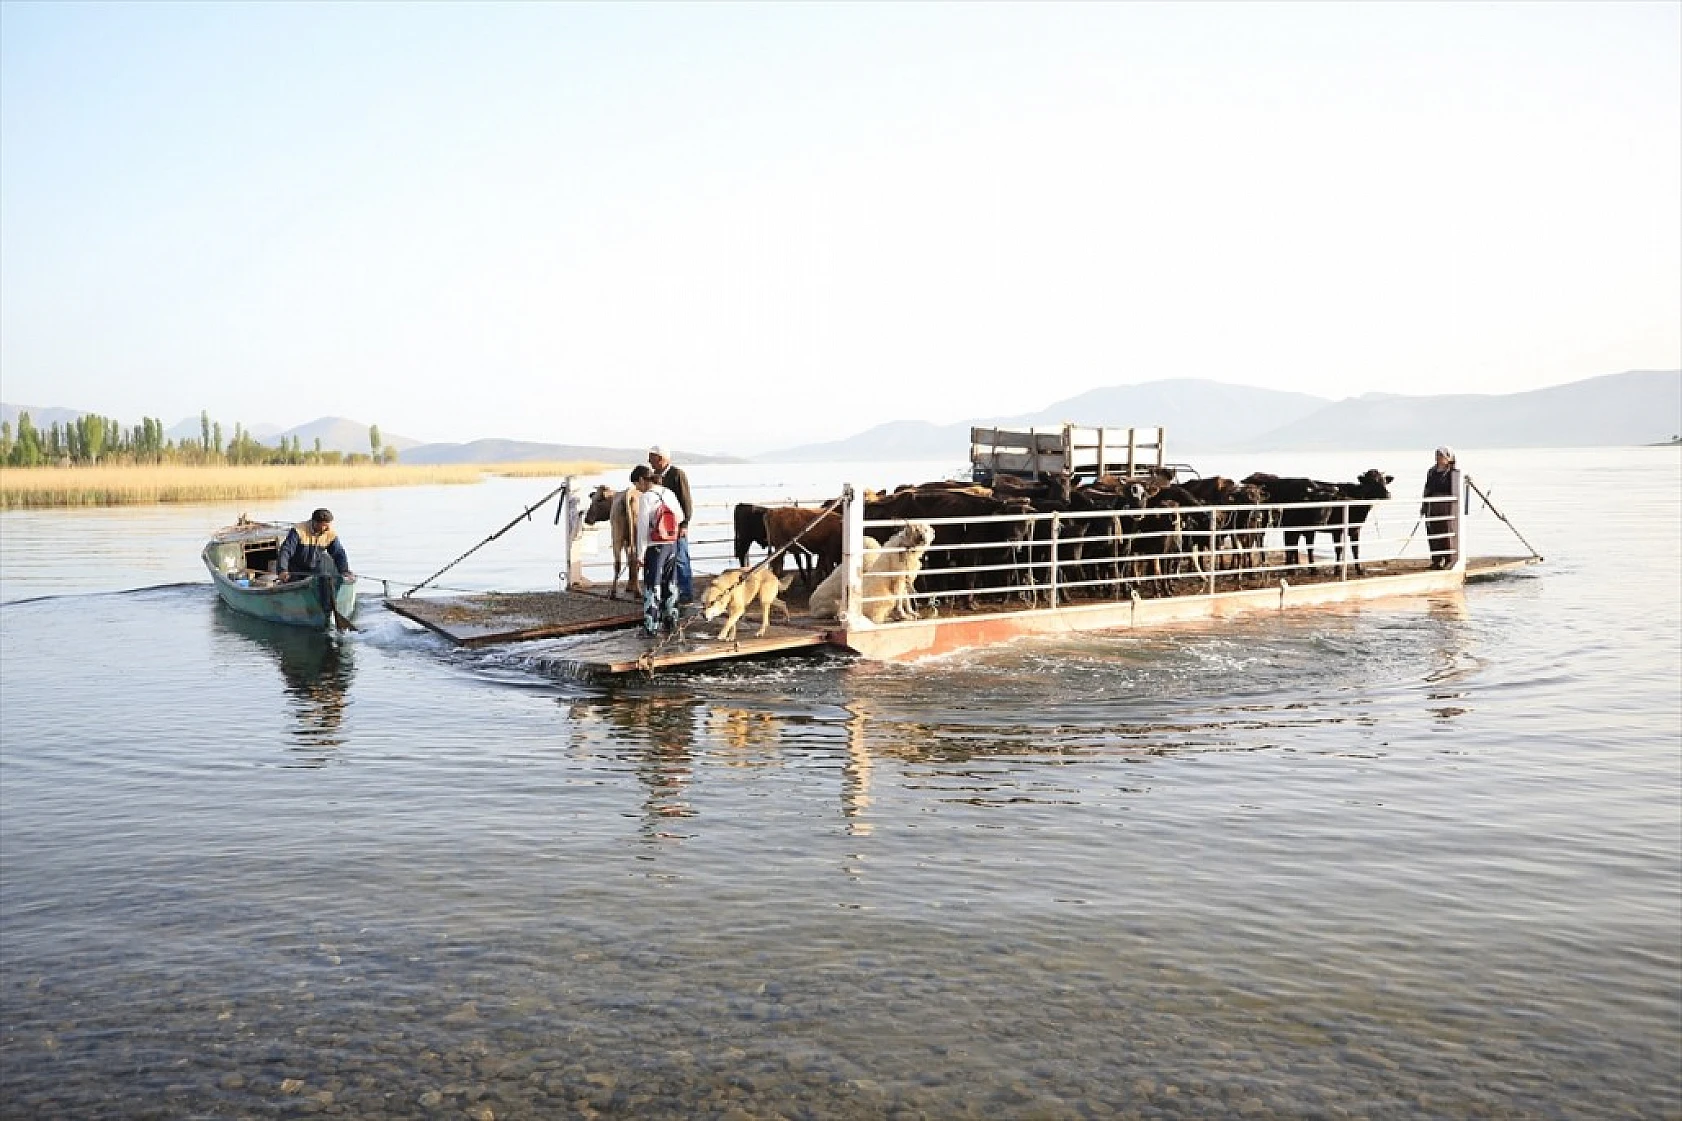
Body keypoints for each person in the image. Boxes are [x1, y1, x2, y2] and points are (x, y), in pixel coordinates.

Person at [630, 464, 687, 635]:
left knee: (652, 584)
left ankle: (651, 626)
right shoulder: (668, 492)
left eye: (636, 485)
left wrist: (640, 554)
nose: (637, 489)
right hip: (671, 543)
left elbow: (641, 528)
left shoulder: (646, 497)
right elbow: (681, 516)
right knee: (671, 582)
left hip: (655, 546)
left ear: (641, 480)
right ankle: (672, 622)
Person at [647, 444, 695, 604]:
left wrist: (685, 524)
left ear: (660, 459)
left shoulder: (677, 475)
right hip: (661, 527)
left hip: (676, 525)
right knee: (669, 560)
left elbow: (685, 500)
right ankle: (671, 592)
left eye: (651, 457)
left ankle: (686, 593)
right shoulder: (656, 476)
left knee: (681, 558)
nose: (649, 460)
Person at [277, 508, 352, 581]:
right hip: (294, 570)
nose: (328, 528)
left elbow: (339, 553)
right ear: (315, 523)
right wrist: (282, 570)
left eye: (329, 525)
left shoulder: (330, 533)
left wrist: (344, 571)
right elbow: (286, 550)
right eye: (325, 525)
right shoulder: (298, 530)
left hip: (315, 571)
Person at [1420, 446, 1461, 569]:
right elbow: (1427, 488)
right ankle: (1436, 560)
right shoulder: (1431, 471)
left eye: (1441, 455)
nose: (1438, 458)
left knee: (1445, 531)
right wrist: (1424, 504)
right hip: (1432, 504)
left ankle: (1448, 559)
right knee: (1432, 531)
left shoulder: (1453, 472)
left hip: (1446, 505)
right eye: (1437, 455)